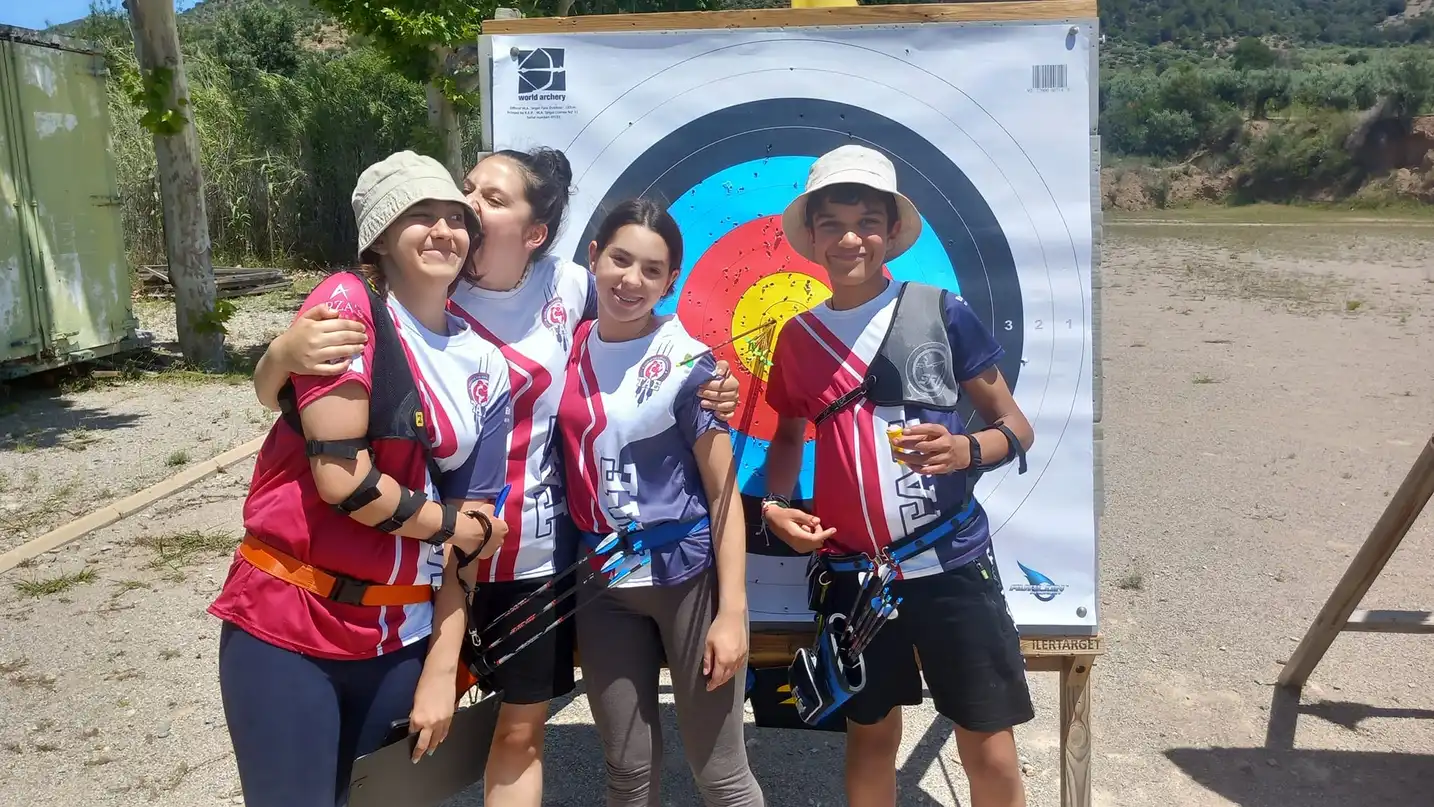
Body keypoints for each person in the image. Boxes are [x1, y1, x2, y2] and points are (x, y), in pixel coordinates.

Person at [248, 147, 741, 807]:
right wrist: (276, 358)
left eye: (491, 198)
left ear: (535, 233)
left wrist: (714, 382)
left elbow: (642, 332)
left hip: (532, 550)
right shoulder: (424, 281)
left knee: (517, 733)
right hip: (426, 552)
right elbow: (307, 399)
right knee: (391, 751)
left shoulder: (571, 285)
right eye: (467, 189)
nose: (467, 207)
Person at [208, 150, 513, 807]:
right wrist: (454, 525)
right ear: (379, 235)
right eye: (419, 215)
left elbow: (472, 538)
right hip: (289, 621)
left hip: (399, 637)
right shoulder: (347, 306)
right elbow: (344, 481)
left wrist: (442, 666)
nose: (443, 231)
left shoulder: (487, 363)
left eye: (455, 217)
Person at [758, 145, 1036, 807]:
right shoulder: (796, 336)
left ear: (891, 231)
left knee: (989, 745)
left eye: (867, 222)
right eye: (833, 224)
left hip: (951, 564)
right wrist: (774, 503)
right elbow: (788, 437)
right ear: (813, 238)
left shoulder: (942, 310)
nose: (851, 238)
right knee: (870, 736)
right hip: (855, 576)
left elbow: (1016, 427)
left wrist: (965, 449)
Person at [558, 198, 764, 807]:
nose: (632, 280)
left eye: (652, 270)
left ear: (671, 281)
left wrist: (733, 613)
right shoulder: (565, 345)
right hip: (602, 582)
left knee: (720, 776)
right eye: (620, 260)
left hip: (687, 580)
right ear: (594, 257)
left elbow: (723, 495)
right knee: (627, 773)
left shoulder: (689, 364)